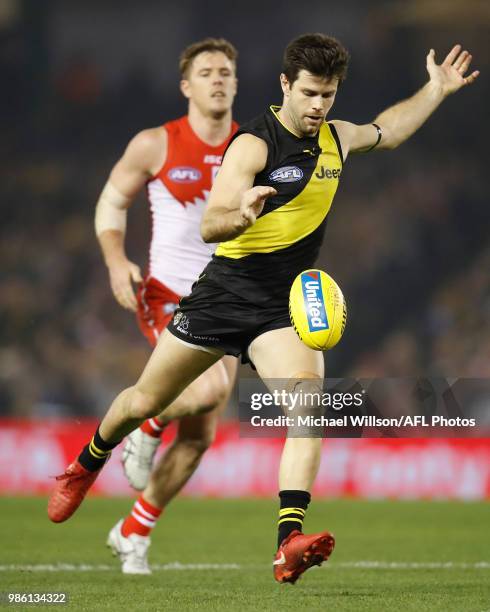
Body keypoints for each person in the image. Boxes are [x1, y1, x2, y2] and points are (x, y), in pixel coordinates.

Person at [48, 33, 479, 584]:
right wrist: (240, 214)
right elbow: (211, 222)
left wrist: (435, 90)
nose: (319, 106)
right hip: (224, 294)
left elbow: (387, 130)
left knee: (307, 409)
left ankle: (288, 541)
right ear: (285, 86)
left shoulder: (337, 138)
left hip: (283, 305)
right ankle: (86, 464)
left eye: (328, 94)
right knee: (143, 401)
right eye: (309, 93)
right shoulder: (252, 144)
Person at [93, 38, 239, 574]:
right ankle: (144, 427)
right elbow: (111, 201)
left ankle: (133, 531)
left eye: (226, 71)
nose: (218, 79)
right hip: (168, 296)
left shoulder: (251, 148)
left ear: (237, 83)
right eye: (207, 72)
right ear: (187, 86)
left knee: (201, 437)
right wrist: (114, 260)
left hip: (228, 300)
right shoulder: (155, 144)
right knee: (211, 388)